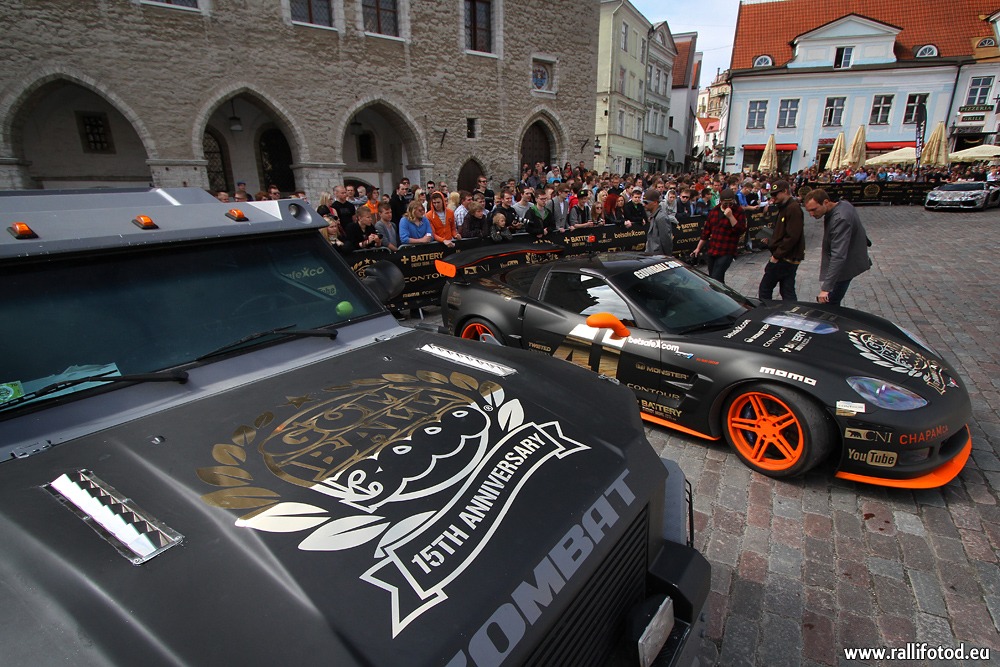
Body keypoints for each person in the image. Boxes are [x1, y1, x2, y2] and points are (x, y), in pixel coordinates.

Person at [804, 189, 871, 306]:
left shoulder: (839, 218)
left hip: (843, 269)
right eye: (809, 211)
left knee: (829, 306)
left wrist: (826, 288)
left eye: (814, 209)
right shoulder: (844, 205)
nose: (811, 214)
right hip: (846, 263)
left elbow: (838, 255)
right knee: (831, 305)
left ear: (826, 202)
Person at [757, 180, 804, 301]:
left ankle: (767, 309)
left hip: (784, 257)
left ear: (785, 191)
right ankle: (790, 310)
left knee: (765, 288)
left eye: (775, 194)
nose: (773, 198)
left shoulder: (792, 208)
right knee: (787, 290)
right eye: (772, 195)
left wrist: (777, 255)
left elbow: (792, 236)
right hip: (787, 256)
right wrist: (772, 241)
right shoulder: (786, 207)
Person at [692, 189, 746, 284]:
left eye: (731, 204)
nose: (728, 206)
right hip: (713, 249)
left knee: (716, 278)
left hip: (727, 250)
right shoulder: (714, 211)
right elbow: (706, 231)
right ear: (720, 201)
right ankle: (722, 292)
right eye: (725, 204)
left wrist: (731, 217)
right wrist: (698, 248)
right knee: (713, 279)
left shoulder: (739, 211)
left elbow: (740, 230)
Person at [643, 188, 673, 256]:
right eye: (643, 202)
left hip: (659, 256)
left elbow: (666, 240)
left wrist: (667, 256)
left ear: (655, 202)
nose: (644, 204)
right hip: (652, 254)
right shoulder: (654, 215)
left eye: (646, 202)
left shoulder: (661, 217)